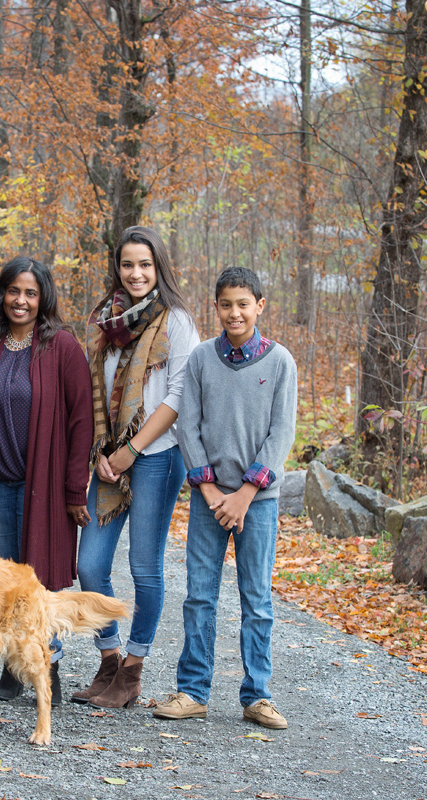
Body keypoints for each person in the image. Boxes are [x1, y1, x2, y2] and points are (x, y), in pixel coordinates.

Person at [153, 266, 297, 729]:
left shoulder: (280, 363)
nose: (234, 312)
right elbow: (187, 426)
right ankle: (193, 690)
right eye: (225, 304)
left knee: (256, 598)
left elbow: (282, 432)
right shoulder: (199, 359)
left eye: (243, 304)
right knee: (199, 596)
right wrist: (212, 490)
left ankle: (257, 695)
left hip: (259, 501)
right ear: (215, 307)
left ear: (260, 306)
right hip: (208, 499)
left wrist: (247, 493)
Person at [72, 226, 200, 709]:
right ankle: (109, 660)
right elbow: (97, 395)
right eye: (128, 264)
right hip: (108, 462)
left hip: (158, 458)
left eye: (145, 264)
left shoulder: (177, 322)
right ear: (118, 268)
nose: (136, 273)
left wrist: (131, 451)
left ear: (158, 267)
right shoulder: (108, 322)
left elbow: (179, 396)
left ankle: (134, 670)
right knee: (90, 565)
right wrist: (103, 454)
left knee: (144, 565)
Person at [0, 257, 94, 706]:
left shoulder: (63, 348)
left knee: (40, 581)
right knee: (1, 582)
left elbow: (82, 424)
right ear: (2, 295)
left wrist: (76, 489)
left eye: (30, 293)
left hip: (44, 488)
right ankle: (11, 670)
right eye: (14, 291)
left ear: (44, 299)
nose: (21, 300)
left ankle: (46, 669)